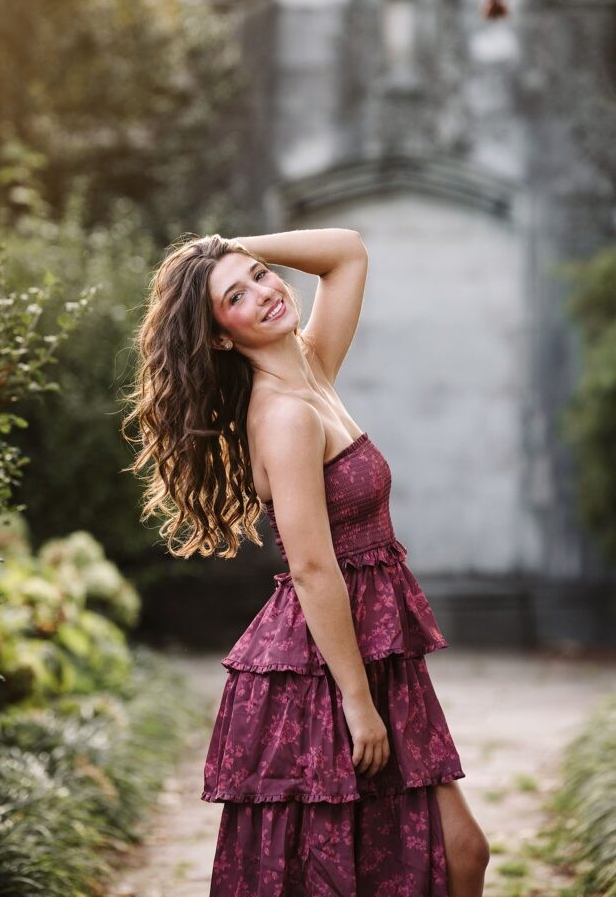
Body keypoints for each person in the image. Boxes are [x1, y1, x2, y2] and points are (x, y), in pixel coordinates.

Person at [123, 226, 490, 896]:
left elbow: (346, 250)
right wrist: (357, 703)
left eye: (260, 274)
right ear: (219, 337)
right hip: (324, 667)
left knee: (450, 854)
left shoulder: (313, 367)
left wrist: (222, 243)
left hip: (371, 647)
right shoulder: (285, 416)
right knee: (367, 866)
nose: (265, 292)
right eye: (237, 296)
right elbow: (312, 568)